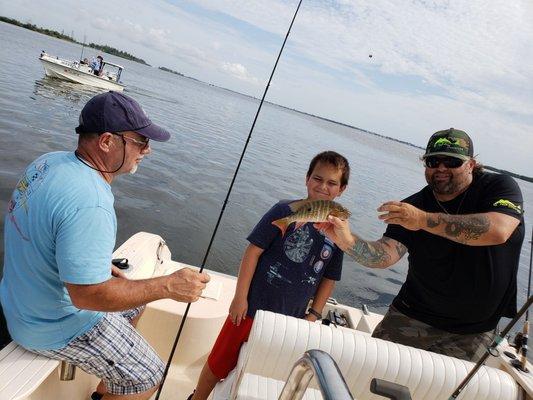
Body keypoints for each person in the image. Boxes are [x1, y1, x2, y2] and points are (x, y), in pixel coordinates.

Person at [0, 91, 211, 400]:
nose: (147, 151)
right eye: (140, 142)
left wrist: (90, 262)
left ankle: (111, 379)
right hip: (49, 325)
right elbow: (87, 296)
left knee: (135, 300)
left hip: (17, 302)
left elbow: (36, 228)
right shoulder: (92, 203)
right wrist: (167, 286)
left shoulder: (47, 163)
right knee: (149, 375)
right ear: (107, 141)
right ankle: (120, 384)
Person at [318, 128, 525, 362]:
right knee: (372, 375)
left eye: (452, 161)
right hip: (411, 315)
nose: (441, 168)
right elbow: (384, 255)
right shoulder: (413, 206)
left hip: (474, 331)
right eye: (433, 161)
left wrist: (422, 220)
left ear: (471, 164)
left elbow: (498, 230)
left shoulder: (499, 188)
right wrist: (347, 241)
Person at [188, 151, 350, 400]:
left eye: (332, 183)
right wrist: (240, 297)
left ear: (342, 189)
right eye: (318, 179)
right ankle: (198, 397)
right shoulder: (283, 210)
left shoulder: (340, 233)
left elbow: (329, 278)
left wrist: (314, 314)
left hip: (290, 321)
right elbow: (253, 252)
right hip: (251, 308)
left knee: (261, 369)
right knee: (219, 361)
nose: (323, 187)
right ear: (307, 178)